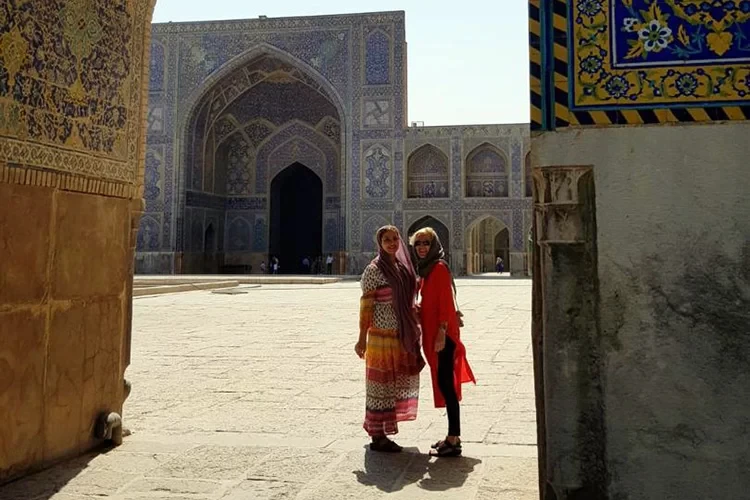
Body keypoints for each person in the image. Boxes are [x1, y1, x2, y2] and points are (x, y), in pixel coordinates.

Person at [356, 225, 425, 452]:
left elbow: (410, 300)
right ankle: (377, 434)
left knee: (392, 384)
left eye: (395, 239)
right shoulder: (374, 270)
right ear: (380, 242)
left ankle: (383, 430)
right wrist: (361, 339)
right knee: (380, 385)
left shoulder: (401, 268)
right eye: (387, 239)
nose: (392, 243)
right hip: (379, 336)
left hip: (399, 335)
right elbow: (366, 306)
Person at [410, 227, 476, 457]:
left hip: (442, 337)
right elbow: (432, 302)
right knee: (445, 384)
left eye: (426, 243)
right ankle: (452, 436)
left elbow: (446, 303)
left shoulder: (437, 268)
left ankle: (454, 439)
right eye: (418, 243)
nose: (421, 247)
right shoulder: (427, 270)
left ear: (434, 244)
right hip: (436, 334)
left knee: (447, 386)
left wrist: (441, 331)